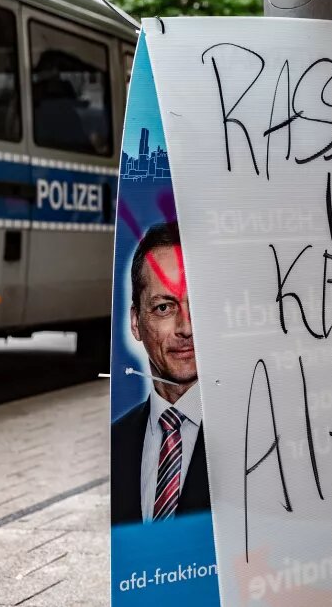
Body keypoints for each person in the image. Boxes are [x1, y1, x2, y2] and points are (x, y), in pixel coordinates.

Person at [111, 221, 210, 525]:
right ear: (135, 322)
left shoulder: (258, 434)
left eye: (200, 305)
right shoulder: (116, 442)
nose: (186, 327)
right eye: (165, 308)